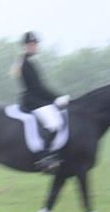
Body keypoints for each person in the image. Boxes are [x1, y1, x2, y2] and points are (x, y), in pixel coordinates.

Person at [12, 31, 69, 173]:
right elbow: (37, 87)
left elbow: (40, 86)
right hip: (33, 100)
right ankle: (45, 157)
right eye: (32, 44)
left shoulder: (29, 61)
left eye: (35, 44)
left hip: (37, 99)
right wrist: (56, 97)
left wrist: (55, 97)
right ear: (26, 46)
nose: (35, 46)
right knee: (53, 123)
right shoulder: (25, 63)